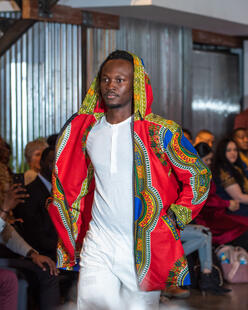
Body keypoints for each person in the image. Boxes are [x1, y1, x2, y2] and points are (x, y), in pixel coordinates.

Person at [48, 50, 211, 310]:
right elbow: (69, 177)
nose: (111, 86)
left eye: (120, 80)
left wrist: (177, 214)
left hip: (143, 247)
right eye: (106, 79)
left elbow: (198, 174)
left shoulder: (160, 132)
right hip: (98, 243)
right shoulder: (85, 131)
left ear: (136, 85)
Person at [195, 142, 248, 251]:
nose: (209, 163)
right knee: (242, 227)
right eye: (206, 160)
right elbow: (207, 200)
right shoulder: (196, 177)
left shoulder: (205, 173)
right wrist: (227, 203)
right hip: (206, 217)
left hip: (218, 210)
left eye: (210, 160)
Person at [14, 146, 58, 261]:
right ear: (41, 163)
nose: (56, 165)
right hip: (43, 255)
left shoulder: (60, 191)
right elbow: (35, 234)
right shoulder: (30, 192)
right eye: (52, 161)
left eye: (58, 161)